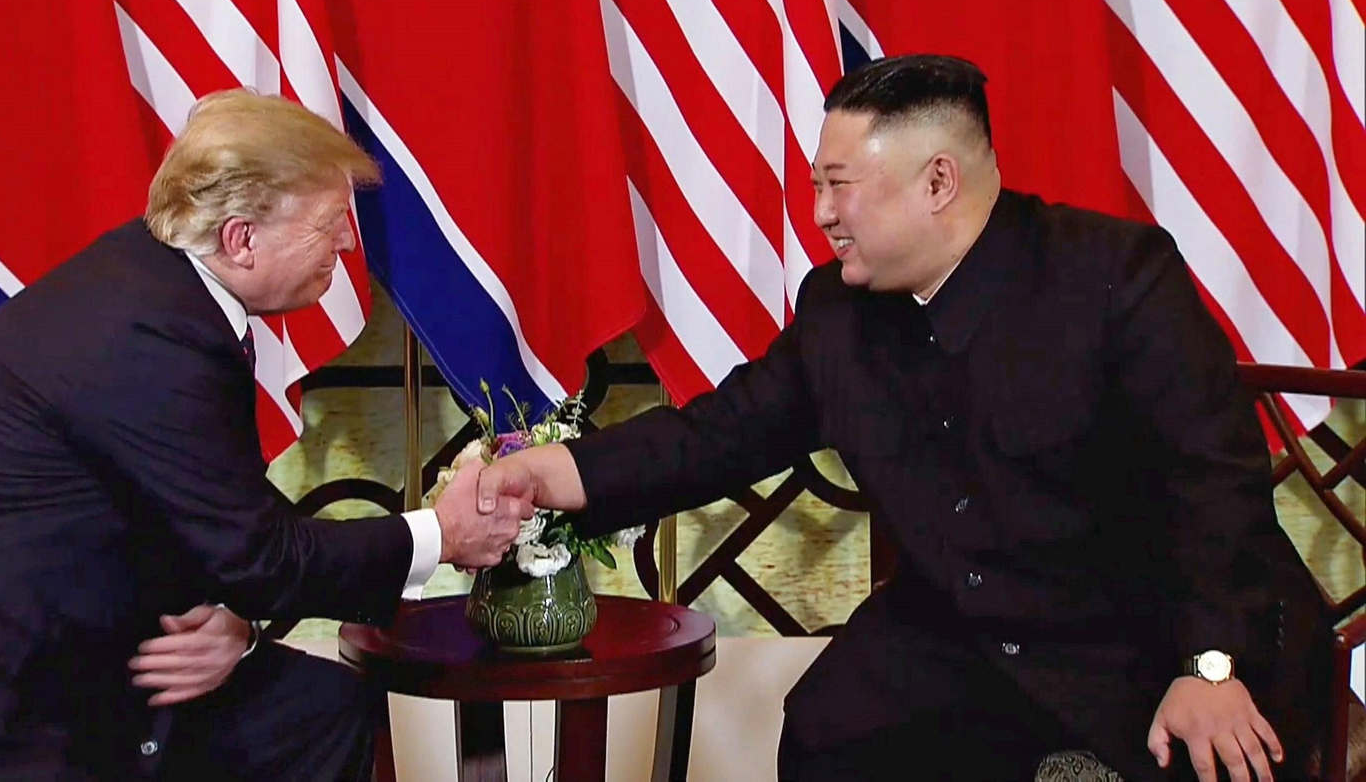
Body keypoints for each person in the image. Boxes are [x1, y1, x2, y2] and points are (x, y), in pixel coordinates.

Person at [467, 55, 1328, 782]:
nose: (821, 216)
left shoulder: (1117, 277)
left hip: (1148, 631)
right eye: (815, 188)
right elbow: (717, 434)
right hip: (962, 633)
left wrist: (1210, 664)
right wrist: (553, 474)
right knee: (829, 726)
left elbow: (1217, 485)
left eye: (838, 187)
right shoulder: (838, 314)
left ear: (938, 181)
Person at [0, 90, 527, 781]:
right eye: (330, 227)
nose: (348, 250)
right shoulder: (153, 334)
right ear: (241, 240)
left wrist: (235, 618)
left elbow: (202, 514)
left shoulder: (161, 287)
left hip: (59, 641)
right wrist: (442, 535)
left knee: (319, 709)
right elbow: (256, 554)